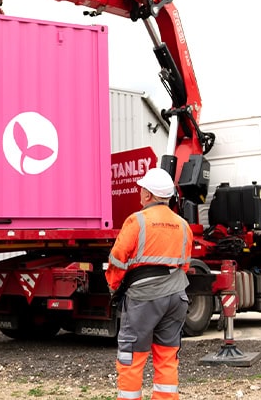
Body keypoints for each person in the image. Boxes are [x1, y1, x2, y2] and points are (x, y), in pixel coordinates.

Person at [106, 167, 193, 400]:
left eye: (141, 190)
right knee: (167, 356)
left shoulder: (137, 221)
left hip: (143, 299)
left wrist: (114, 288)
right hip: (177, 297)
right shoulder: (183, 225)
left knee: (132, 356)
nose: (140, 194)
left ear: (148, 195)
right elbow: (184, 265)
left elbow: (117, 260)